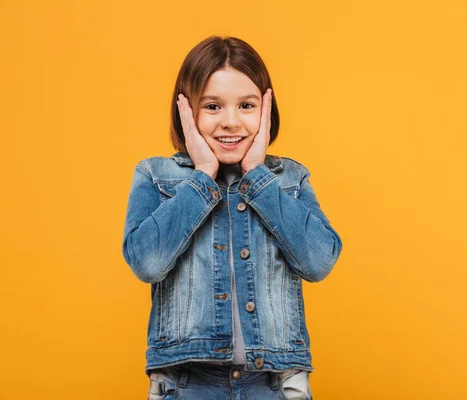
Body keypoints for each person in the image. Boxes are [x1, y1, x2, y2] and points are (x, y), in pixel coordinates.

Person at [122, 35, 343, 400]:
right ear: (186, 110)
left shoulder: (289, 179)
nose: (230, 121)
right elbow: (147, 263)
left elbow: (319, 261)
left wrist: (257, 174)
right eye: (212, 106)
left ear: (266, 109)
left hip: (274, 383)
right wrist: (203, 174)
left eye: (246, 105)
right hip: (187, 382)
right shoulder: (156, 176)